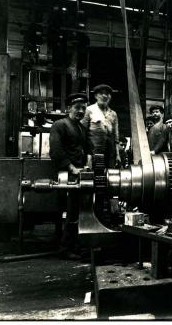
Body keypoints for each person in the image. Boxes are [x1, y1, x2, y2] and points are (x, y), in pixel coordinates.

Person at [49, 93, 93, 259]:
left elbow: (88, 148)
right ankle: (65, 249)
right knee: (68, 212)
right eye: (77, 107)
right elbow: (56, 151)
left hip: (79, 175)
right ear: (69, 108)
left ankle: (75, 245)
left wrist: (87, 164)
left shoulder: (81, 128)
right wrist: (72, 168)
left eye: (83, 108)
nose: (81, 111)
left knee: (77, 212)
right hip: (66, 175)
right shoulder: (59, 125)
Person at [81, 84, 120, 168]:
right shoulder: (89, 110)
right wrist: (86, 154)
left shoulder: (113, 114)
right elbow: (82, 133)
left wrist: (118, 155)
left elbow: (116, 137)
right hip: (93, 153)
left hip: (110, 154)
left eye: (107, 94)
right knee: (92, 177)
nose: (104, 96)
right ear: (95, 96)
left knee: (110, 176)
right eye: (101, 93)